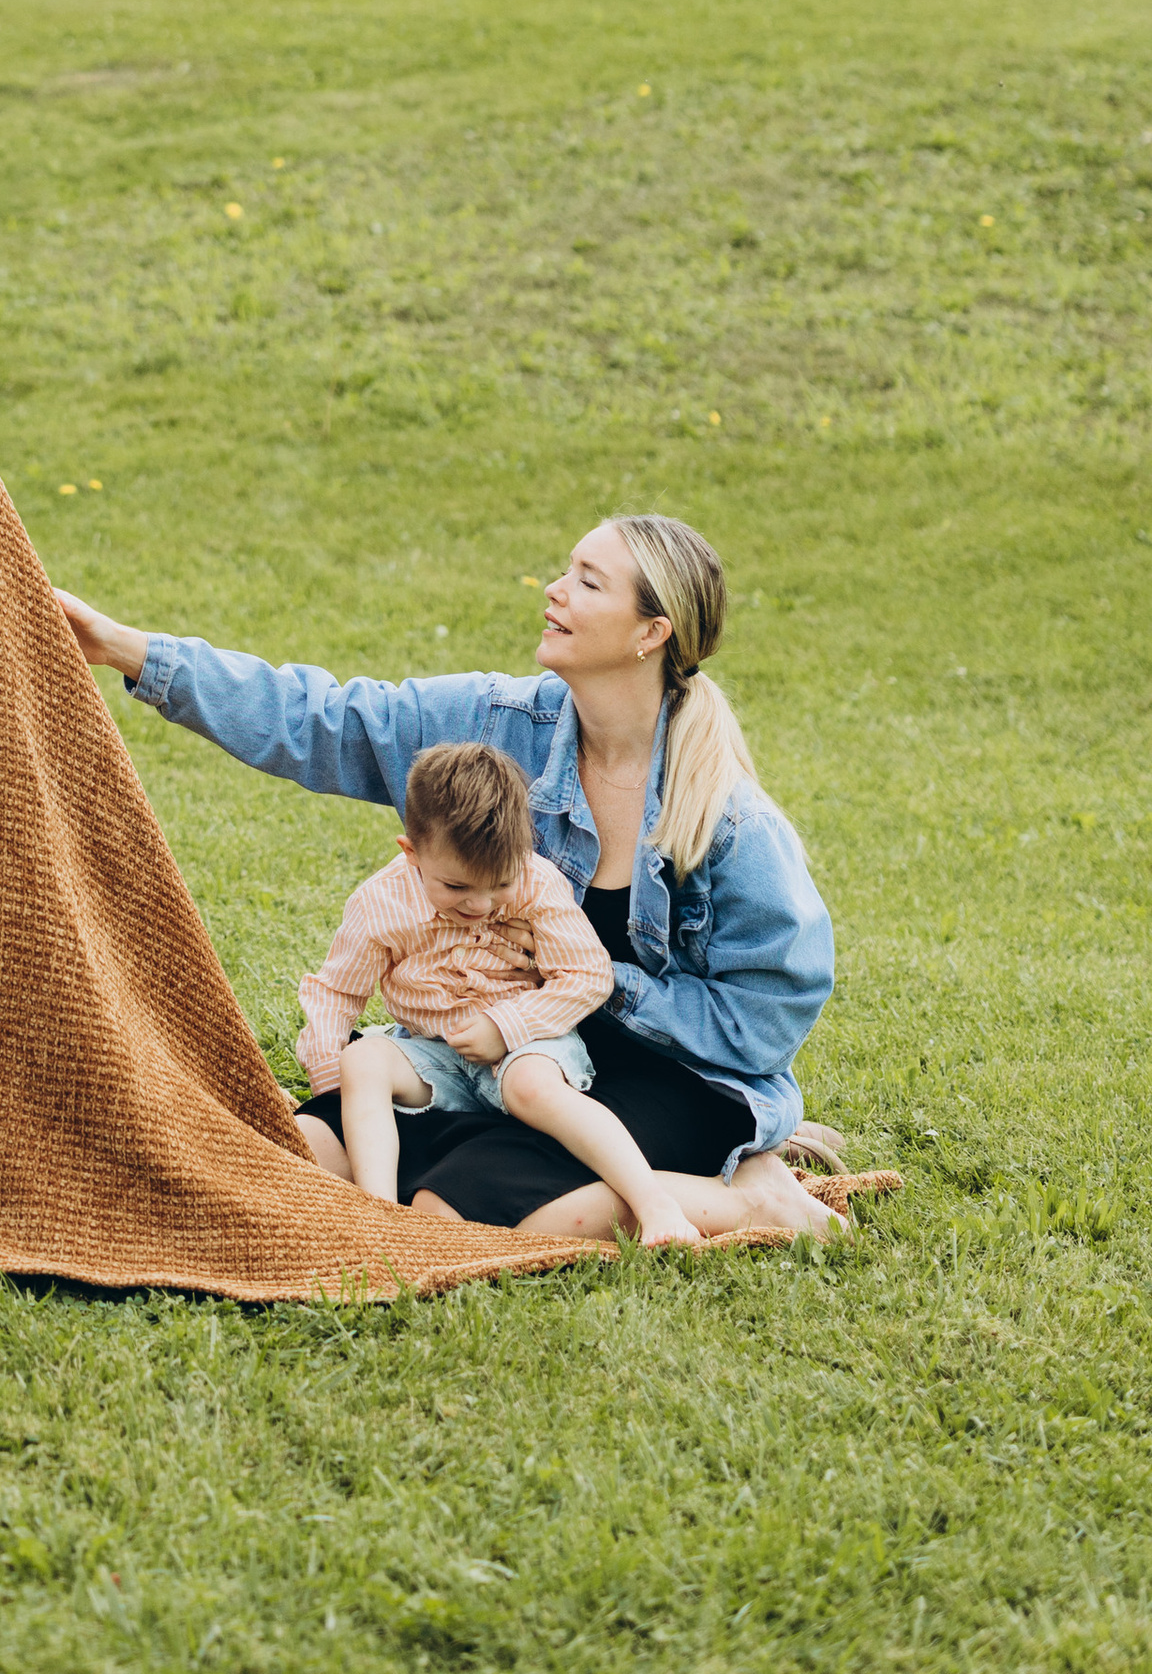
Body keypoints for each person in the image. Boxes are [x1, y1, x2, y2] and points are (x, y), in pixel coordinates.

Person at [56, 512, 850, 1241]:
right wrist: (127, 648)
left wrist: (587, 987)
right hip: (490, 1041)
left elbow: (771, 1012)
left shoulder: (726, 816)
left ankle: (756, 1197)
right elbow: (331, 720)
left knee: (455, 1211)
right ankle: (533, 1159)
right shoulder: (501, 723)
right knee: (302, 1152)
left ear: (651, 631)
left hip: (670, 1072)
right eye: (567, 568)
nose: (555, 588)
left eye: (588, 581)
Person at [299, 741, 701, 1248]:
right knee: (361, 1061)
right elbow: (336, 992)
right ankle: (380, 1217)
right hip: (434, 1053)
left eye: (500, 883)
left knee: (530, 1085)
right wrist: (331, 1078)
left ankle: (656, 1203)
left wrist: (504, 1028)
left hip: (527, 1046)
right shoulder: (381, 905)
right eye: (457, 886)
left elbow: (588, 975)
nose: (482, 904)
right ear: (412, 853)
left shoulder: (537, 883)